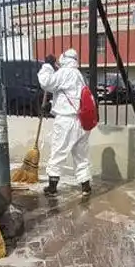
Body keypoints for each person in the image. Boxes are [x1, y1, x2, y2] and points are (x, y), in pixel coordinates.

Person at [37, 48, 92, 197]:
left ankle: (52, 187)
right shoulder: (79, 75)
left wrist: (47, 66)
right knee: (81, 155)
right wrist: (51, 104)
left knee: (58, 152)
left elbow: (46, 82)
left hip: (66, 120)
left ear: (64, 58)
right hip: (81, 121)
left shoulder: (65, 72)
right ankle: (86, 186)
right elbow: (67, 94)